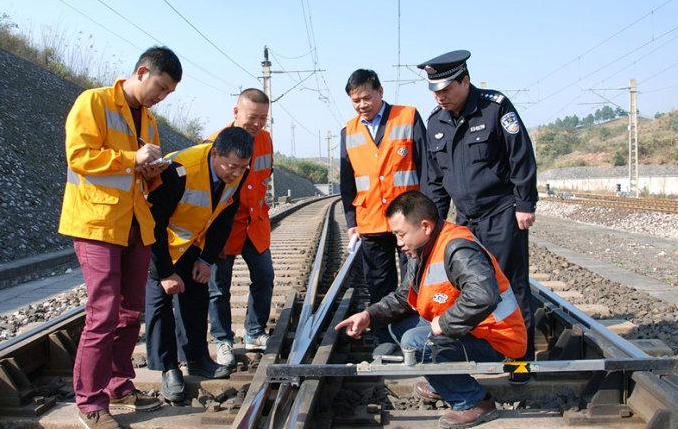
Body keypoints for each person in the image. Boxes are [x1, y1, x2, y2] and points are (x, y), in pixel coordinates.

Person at [58, 46, 181, 429]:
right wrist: (133, 159)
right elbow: (79, 155)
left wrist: (155, 169)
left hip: (134, 224)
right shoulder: (93, 102)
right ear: (142, 72)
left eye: (167, 93)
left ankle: (118, 384)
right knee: (103, 312)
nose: (161, 97)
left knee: (130, 312)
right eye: (159, 87)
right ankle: (90, 403)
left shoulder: (149, 122)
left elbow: (140, 175)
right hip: (96, 222)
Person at [335, 191, 527, 429]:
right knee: (398, 325)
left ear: (425, 226)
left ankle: (475, 402)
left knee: (415, 342)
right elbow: (405, 297)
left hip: (498, 340)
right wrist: (369, 316)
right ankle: (442, 381)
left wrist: (444, 324)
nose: (398, 242)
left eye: (401, 234)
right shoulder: (423, 248)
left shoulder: (457, 249)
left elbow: (484, 295)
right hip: (473, 329)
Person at [417, 50, 538, 381]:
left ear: (465, 81)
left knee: (511, 286)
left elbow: (521, 157)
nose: (439, 97)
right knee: (467, 288)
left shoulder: (495, 107)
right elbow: (435, 182)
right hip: (465, 220)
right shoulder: (435, 123)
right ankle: (480, 353)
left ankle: (520, 362)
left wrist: (525, 204)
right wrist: (433, 226)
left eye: (445, 89)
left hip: (501, 214)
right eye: (434, 91)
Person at [144, 127, 253, 403]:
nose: (236, 173)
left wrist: (207, 260)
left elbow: (224, 218)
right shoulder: (178, 169)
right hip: (157, 243)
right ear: (215, 153)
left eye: (243, 167)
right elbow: (152, 224)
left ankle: (197, 359)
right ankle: (169, 369)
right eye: (231, 166)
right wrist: (165, 272)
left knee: (196, 296)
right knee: (160, 305)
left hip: (192, 242)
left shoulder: (237, 174)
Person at [339, 69, 426, 342]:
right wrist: (352, 223)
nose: (362, 105)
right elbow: (347, 183)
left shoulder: (408, 117)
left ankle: (413, 334)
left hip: (408, 219)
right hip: (371, 220)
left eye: (366, 97)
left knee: (414, 280)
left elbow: (426, 168)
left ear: (380, 92)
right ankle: (384, 340)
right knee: (379, 283)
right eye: (356, 100)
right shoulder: (348, 132)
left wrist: (428, 215)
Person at [206, 88, 274, 367]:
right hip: (225, 226)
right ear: (236, 112)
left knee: (264, 276)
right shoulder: (215, 143)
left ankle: (255, 333)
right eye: (252, 117)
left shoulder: (266, 140)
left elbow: (264, 176)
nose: (257, 124)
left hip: (255, 223)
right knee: (218, 287)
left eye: (263, 118)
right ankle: (223, 340)